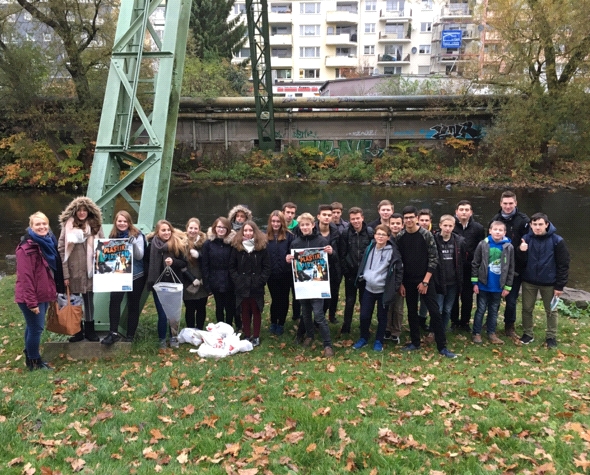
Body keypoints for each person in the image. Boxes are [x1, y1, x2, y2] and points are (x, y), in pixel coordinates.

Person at [396, 206, 457, 358]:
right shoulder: (400, 236)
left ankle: (442, 346)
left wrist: (425, 282)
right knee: (411, 312)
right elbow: (399, 261)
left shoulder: (426, 235)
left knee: (435, 312)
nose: (409, 220)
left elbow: (434, 258)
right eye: (406, 218)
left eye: (411, 217)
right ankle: (415, 342)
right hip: (408, 280)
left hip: (425, 280)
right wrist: (401, 283)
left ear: (416, 218)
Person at [15, 212, 64, 370]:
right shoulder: (26, 248)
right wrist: (32, 302)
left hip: (42, 294)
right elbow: (26, 278)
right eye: (38, 224)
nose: (42, 227)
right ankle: (35, 361)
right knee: (37, 328)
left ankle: (30, 355)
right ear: (31, 227)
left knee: (32, 327)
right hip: (30, 297)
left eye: (44, 224)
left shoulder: (48, 242)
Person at [518, 213, 570, 348]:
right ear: (530, 225)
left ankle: (551, 336)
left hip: (550, 283)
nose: (537, 227)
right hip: (529, 281)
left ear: (547, 224)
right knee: (527, 309)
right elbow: (520, 262)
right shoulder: (526, 239)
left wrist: (560, 285)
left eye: (540, 224)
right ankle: (527, 334)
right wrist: (521, 251)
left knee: (551, 310)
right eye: (534, 224)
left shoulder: (557, 241)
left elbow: (563, 264)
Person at [287, 213, 335, 357]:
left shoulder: (321, 241)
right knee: (306, 313)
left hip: (318, 284)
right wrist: (289, 259)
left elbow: (331, 262)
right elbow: (294, 266)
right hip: (303, 285)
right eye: (302, 225)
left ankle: (328, 345)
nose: (305, 227)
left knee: (319, 315)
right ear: (299, 227)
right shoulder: (295, 243)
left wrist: (332, 253)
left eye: (308, 224)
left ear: (313, 225)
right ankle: (309, 335)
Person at [58, 197, 104, 342]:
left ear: (89, 211)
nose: (82, 213)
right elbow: (61, 250)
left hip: (90, 271)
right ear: (74, 211)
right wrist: (65, 274)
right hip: (73, 271)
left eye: (85, 210)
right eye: (79, 210)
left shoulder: (96, 225)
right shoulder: (68, 226)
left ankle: (90, 331)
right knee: (76, 301)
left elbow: (103, 247)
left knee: (89, 301)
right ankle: (77, 331)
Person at [352, 225, 403, 352]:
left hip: (383, 290)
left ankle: (379, 340)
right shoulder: (370, 248)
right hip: (368, 288)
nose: (380, 236)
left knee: (382, 317)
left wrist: (395, 287)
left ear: (388, 237)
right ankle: (364, 337)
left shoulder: (392, 251)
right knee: (364, 315)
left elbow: (399, 271)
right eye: (378, 234)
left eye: (383, 235)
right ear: (374, 235)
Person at [103, 211, 147, 345]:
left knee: (133, 304)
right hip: (119, 274)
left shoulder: (137, 235)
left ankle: (130, 335)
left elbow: (140, 256)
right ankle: (113, 333)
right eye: (119, 221)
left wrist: (132, 244)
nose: (122, 224)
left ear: (129, 222)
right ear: (116, 222)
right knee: (114, 301)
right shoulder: (112, 236)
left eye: (124, 221)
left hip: (136, 275)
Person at [489, 191, 529, 337]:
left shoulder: (523, 221)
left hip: (515, 267)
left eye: (510, 203)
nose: (507, 206)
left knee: (511, 300)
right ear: (500, 204)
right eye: (505, 203)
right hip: (497, 266)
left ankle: (509, 326)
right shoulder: (495, 219)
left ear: (515, 203)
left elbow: (528, 241)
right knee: (494, 297)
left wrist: (522, 251)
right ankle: (490, 322)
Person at [146, 219, 189, 349]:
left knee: (173, 314)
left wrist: (173, 262)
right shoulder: (152, 246)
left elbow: (184, 263)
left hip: (174, 285)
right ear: (157, 232)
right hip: (158, 285)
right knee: (162, 314)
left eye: (168, 230)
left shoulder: (177, 244)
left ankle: (173, 337)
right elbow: (147, 263)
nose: (166, 232)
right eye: (163, 230)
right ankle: (162, 339)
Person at [471, 221, 515, 345]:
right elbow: (475, 263)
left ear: (504, 233)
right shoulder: (483, 244)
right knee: (480, 309)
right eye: (495, 229)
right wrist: (475, 282)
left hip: (498, 286)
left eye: (500, 230)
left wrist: (508, 286)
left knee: (494, 310)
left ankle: (491, 333)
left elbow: (511, 268)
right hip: (483, 284)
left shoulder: (508, 247)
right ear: (490, 231)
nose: (497, 232)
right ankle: (476, 333)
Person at [230, 221, 271, 346]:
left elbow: (267, 267)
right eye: (245, 231)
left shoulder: (261, 247)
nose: (248, 233)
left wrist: (260, 281)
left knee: (256, 310)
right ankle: (247, 335)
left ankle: (256, 336)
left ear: (255, 232)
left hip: (256, 285)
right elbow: (232, 267)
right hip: (241, 285)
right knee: (245, 311)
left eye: (250, 230)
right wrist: (237, 280)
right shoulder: (237, 247)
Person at [339, 206, 374, 336]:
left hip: (366, 274)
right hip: (351, 273)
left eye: (358, 218)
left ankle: (364, 326)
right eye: (353, 219)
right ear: (350, 220)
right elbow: (342, 254)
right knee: (349, 301)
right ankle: (346, 326)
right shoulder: (345, 233)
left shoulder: (370, 233)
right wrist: (346, 272)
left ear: (362, 218)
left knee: (364, 302)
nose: (356, 221)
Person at [451, 200, 485, 332]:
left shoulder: (478, 228)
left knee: (467, 297)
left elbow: (481, 248)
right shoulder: (451, 226)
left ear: (471, 212)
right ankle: (454, 321)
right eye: (461, 209)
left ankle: (465, 322)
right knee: (453, 296)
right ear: (456, 212)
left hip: (469, 267)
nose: (464, 212)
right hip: (453, 267)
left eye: (466, 210)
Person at [202, 217, 238, 329]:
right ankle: (220, 327)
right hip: (215, 278)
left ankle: (229, 326)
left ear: (228, 229)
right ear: (214, 228)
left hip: (229, 279)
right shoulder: (208, 244)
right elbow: (205, 264)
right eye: (219, 227)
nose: (221, 230)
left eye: (223, 227)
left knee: (230, 305)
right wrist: (207, 283)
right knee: (219, 305)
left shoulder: (232, 243)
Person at [433, 215, 465, 333]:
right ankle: (434, 329)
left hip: (453, 282)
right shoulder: (434, 239)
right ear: (440, 225)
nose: (447, 228)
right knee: (438, 308)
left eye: (450, 226)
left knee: (447, 309)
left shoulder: (459, 241)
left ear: (454, 227)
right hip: (438, 281)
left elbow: (461, 262)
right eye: (445, 225)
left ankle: (442, 330)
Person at [266, 211, 294, 336]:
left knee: (284, 299)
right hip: (271, 274)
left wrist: (290, 256)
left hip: (285, 273)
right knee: (275, 299)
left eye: (278, 221)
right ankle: (273, 321)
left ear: (282, 222)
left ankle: (281, 323)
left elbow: (293, 251)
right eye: (273, 221)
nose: (275, 224)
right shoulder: (265, 237)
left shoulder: (289, 236)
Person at [316, 204, 342, 324]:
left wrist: (333, 253)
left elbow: (341, 253)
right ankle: (317, 319)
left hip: (333, 269)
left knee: (332, 295)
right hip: (317, 270)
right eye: (324, 215)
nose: (327, 217)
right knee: (319, 297)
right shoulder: (312, 231)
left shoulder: (337, 232)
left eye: (329, 215)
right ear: (318, 217)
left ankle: (331, 316)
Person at [182, 217, 209, 330]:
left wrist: (200, 255)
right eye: (190, 228)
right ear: (187, 228)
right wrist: (191, 278)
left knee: (201, 306)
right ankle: (190, 329)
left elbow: (209, 260)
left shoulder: (205, 243)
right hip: (187, 279)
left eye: (195, 228)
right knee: (190, 307)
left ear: (199, 229)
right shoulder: (181, 242)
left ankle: (200, 328)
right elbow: (180, 264)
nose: (193, 231)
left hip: (202, 279)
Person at [385, 213, 404, 343]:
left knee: (398, 307)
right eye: (393, 223)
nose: (395, 226)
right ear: (389, 225)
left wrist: (402, 282)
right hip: (388, 278)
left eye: (398, 223)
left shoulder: (405, 239)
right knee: (387, 305)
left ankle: (396, 331)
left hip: (401, 277)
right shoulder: (386, 240)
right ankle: (386, 328)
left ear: (402, 225)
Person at [282, 202, 300, 320]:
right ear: (283, 212)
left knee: (297, 293)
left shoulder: (298, 227)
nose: (289, 215)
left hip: (296, 265)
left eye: (292, 213)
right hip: (282, 266)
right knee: (283, 294)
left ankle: (296, 315)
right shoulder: (277, 225)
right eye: (287, 212)